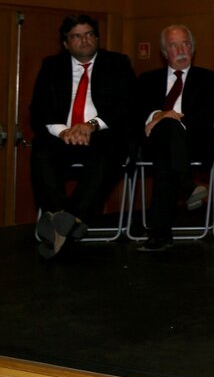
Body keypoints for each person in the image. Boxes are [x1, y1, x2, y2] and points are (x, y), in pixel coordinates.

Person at [29, 14, 136, 259]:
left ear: (97, 38)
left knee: (108, 151)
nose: (84, 40)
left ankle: (62, 221)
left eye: (89, 34)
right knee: (41, 149)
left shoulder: (117, 63)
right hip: (62, 135)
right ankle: (64, 217)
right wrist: (62, 130)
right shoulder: (51, 66)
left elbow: (127, 106)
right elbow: (37, 110)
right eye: (76, 36)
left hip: (101, 134)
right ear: (66, 43)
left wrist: (90, 125)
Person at [135, 24, 214, 252]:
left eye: (186, 44)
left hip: (193, 142)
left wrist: (171, 118)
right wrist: (158, 115)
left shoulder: (207, 78)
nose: (181, 49)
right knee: (166, 136)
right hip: (153, 141)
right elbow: (136, 113)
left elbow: (208, 115)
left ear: (193, 47)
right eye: (174, 45)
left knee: (166, 152)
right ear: (164, 52)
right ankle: (187, 184)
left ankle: (160, 235)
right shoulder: (148, 79)